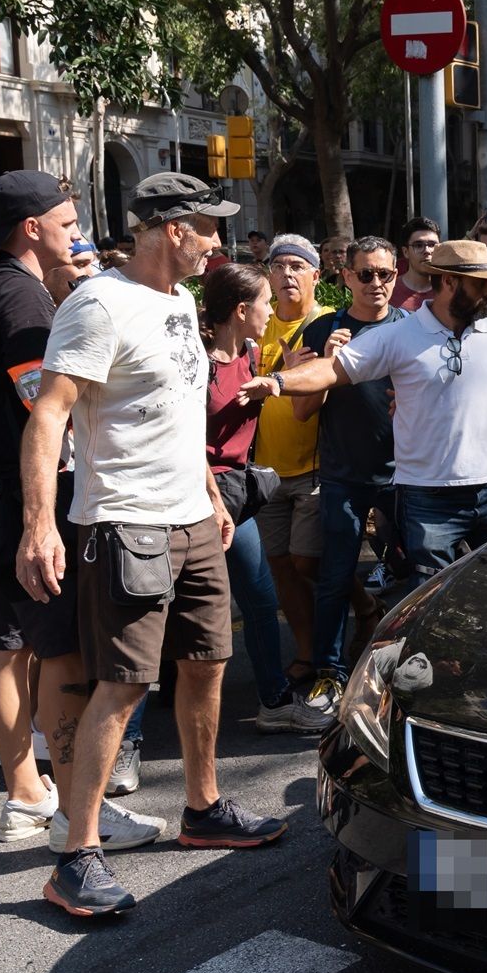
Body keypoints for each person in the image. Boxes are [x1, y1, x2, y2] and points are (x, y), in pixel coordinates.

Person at [19, 172, 288, 918]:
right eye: (209, 229)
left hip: (192, 519)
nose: (216, 244)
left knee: (207, 663)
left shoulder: (177, 303)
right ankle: (77, 852)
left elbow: (177, 413)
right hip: (125, 522)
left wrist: (207, 493)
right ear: (174, 228)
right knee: (126, 681)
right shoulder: (98, 304)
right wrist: (41, 525)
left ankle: (201, 810)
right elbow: (48, 417)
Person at [241, 239, 487, 583]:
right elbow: (332, 369)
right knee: (433, 600)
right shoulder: (397, 335)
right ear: (449, 283)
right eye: (480, 284)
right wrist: (278, 382)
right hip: (427, 500)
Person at [0, 172, 84, 836]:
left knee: (5, 646)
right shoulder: (23, 301)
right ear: (32, 228)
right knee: (53, 649)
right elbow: (44, 405)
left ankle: (25, 792)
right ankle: (76, 801)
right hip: (18, 501)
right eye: (68, 221)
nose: (77, 233)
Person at [199, 264, 316, 734]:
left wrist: (281, 378)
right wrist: (208, 496)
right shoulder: (196, 362)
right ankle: (132, 735)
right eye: (266, 303)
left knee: (261, 601)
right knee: (169, 615)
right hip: (195, 498)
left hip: (235, 499)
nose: (271, 312)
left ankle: (273, 700)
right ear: (242, 310)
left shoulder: (249, 353)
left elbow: (246, 403)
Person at [294, 237, 407, 724]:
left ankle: (405, 671)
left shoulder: (412, 328)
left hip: (407, 474)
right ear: (346, 278)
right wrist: (325, 364)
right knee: (334, 578)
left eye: (385, 274)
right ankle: (329, 673)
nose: (377, 284)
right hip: (342, 475)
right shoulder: (323, 330)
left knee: (420, 572)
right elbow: (300, 412)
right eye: (366, 275)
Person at [248, 234, 331, 689]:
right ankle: (305, 651)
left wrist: (296, 373)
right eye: (278, 266)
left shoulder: (326, 325)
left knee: (308, 562)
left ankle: (361, 607)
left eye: (298, 266)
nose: (286, 274)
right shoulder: (257, 325)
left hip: (315, 466)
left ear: (316, 276)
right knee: (280, 565)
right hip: (265, 470)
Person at [390, 217, 440, 312]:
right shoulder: (389, 291)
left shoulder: (448, 290)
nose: (427, 251)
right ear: (405, 252)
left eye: (432, 245)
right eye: (418, 245)